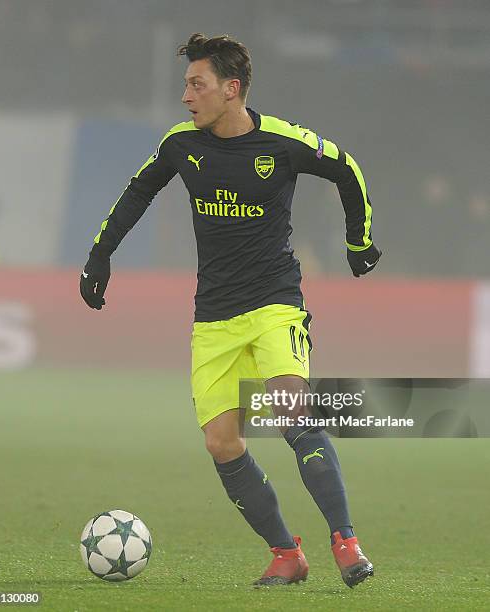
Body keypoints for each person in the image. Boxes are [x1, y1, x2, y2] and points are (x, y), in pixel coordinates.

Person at [80, 33, 381, 588]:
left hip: (274, 305)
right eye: (185, 85)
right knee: (222, 442)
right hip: (214, 317)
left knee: (293, 407)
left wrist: (358, 241)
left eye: (197, 84)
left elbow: (348, 170)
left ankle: (345, 540)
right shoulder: (179, 145)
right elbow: (135, 194)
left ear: (231, 88)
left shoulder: (283, 142)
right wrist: (99, 257)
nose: (186, 96)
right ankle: (286, 555)